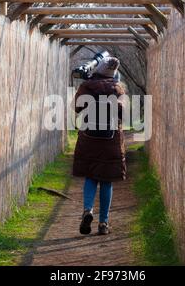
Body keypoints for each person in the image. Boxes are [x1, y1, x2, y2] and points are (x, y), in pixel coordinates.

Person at [72, 56, 126, 235]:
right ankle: (103, 223)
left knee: (90, 175)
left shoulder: (87, 86)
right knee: (106, 181)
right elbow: (122, 113)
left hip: (89, 137)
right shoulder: (117, 88)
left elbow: (77, 108)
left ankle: (88, 210)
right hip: (110, 139)